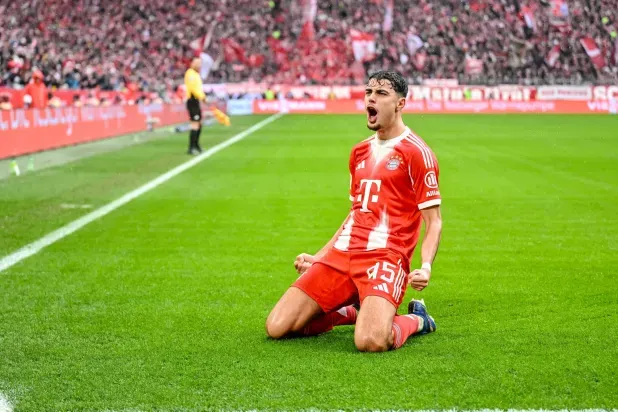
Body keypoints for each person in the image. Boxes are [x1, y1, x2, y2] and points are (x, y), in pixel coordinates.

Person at [265, 71, 443, 352]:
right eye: (368, 92)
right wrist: (320, 256)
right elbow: (355, 213)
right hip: (342, 255)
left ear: (400, 103)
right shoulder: (359, 152)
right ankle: (353, 311)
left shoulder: (417, 153)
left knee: (371, 341)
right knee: (278, 327)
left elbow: (434, 221)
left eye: (381, 94)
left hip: (385, 256)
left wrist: (426, 266)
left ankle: (418, 319)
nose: (371, 98)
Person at [184, 57, 206, 155]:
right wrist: (203, 97)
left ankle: (196, 145)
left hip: (196, 101)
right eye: (197, 63)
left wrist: (203, 97)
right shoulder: (190, 73)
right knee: (195, 124)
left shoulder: (196, 74)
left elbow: (199, 89)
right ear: (192, 63)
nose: (199, 65)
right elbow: (193, 89)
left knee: (199, 123)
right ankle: (191, 147)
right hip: (192, 100)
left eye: (200, 63)